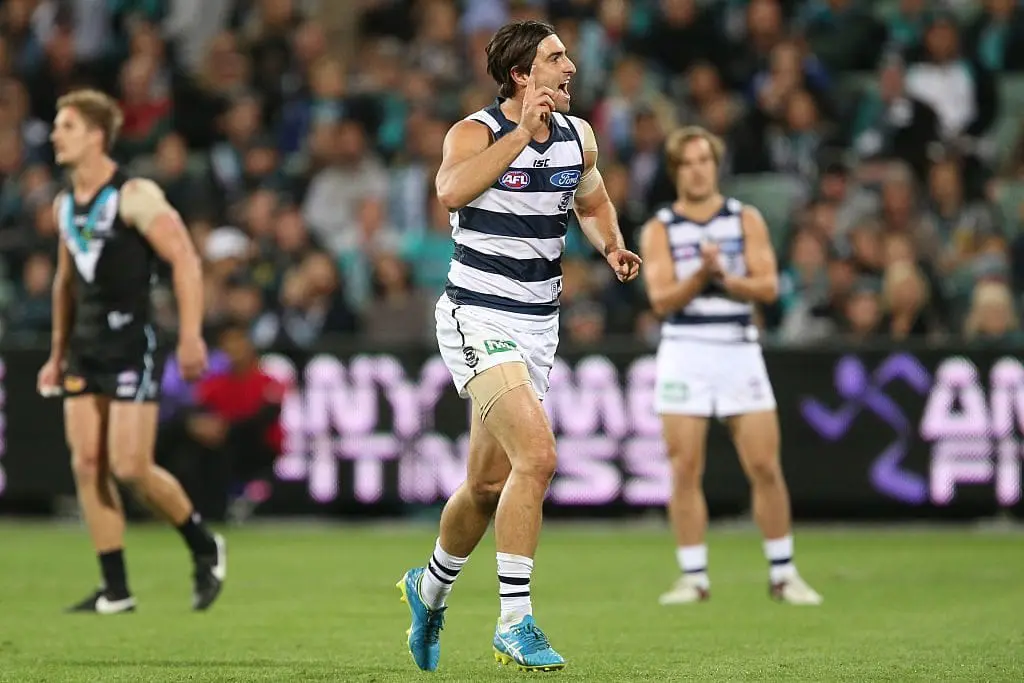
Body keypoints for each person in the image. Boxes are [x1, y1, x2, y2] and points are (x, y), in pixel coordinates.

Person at [396, 20, 641, 673]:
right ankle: (515, 621)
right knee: (538, 455)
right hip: (477, 315)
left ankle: (427, 591)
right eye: (556, 57)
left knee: (484, 484)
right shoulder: (474, 132)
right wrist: (521, 137)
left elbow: (591, 202)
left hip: (537, 326)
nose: (571, 66)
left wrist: (611, 243)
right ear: (521, 75)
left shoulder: (578, 138)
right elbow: (449, 190)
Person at [36, 89, 226, 614]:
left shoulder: (133, 194)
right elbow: (65, 283)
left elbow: (185, 258)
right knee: (88, 463)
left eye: (67, 126)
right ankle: (115, 589)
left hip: (129, 344)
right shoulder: (63, 204)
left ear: (97, 136)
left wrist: (190, 335)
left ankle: (203, 543)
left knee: (131, 467)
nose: (55, 134)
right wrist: (56, 353)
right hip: (85, 347)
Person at [638, 126, 822, 607]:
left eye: (705, 160)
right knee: (684, 467)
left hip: (738, 346)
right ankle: (693, 576)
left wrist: (724, 277)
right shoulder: (659, 227)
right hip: (684, 349)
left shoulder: (746, 219)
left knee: (763, 464)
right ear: (676, 171)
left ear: (715, 166)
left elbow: (768, 287)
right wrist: (701, 275)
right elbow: (660, 299)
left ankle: (783, 572)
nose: (698, 170)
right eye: (688, 162)